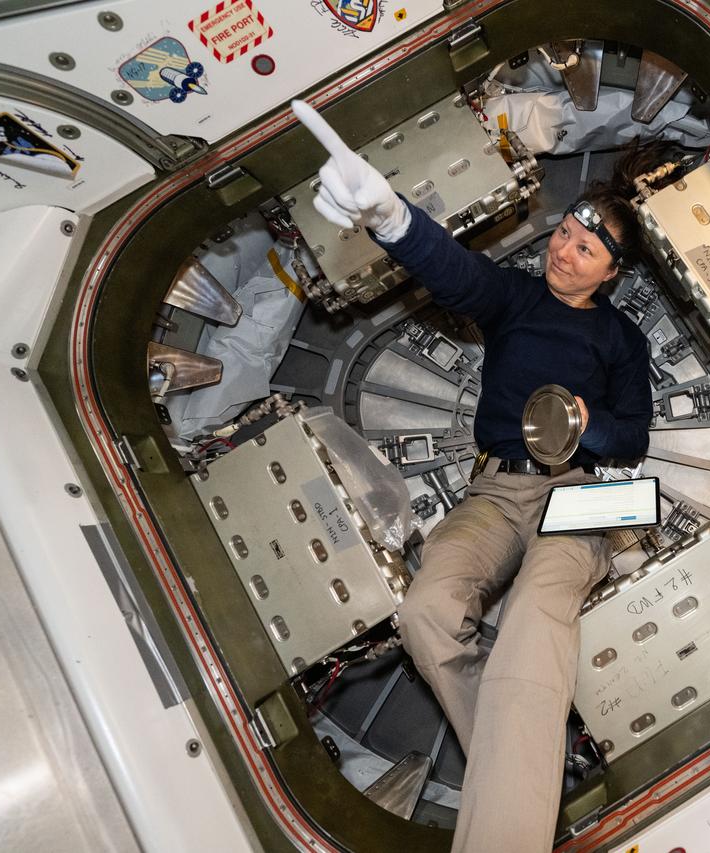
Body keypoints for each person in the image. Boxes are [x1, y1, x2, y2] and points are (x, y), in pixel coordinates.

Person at [293, 101, 653, 852]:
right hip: (495, 489)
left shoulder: (622, 340)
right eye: (564, 233)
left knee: (531, 620)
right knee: (425, 611)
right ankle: (522, 759)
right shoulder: (517, 301)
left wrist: (593, 421)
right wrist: (390, 214)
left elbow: (637, 435)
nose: (564, 250)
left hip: (583, 493)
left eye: (586, 249)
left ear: (613, 274)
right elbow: (458, 275)